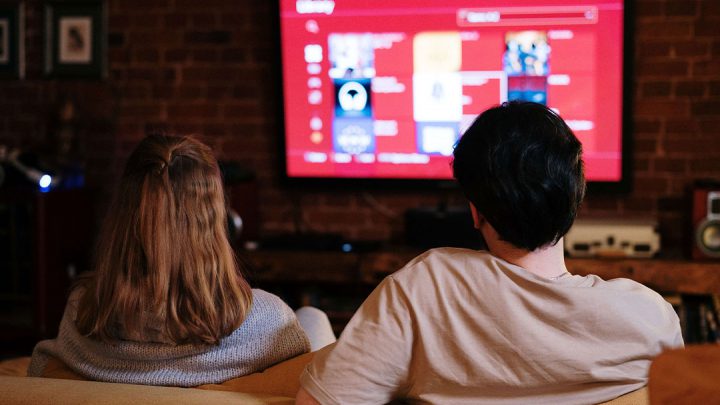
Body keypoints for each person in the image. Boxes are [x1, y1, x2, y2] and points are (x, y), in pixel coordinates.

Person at [296, 101, 683, 404]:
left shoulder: (426, 288)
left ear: (475, 210)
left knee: (309, 317)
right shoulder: (653, 319)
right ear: (576, 196)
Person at [28, 134, 334, 386]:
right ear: (215, 219)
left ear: (122, 217)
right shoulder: (266, 320)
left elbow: (44, 365)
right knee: (313, 316)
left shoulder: (82, 310)